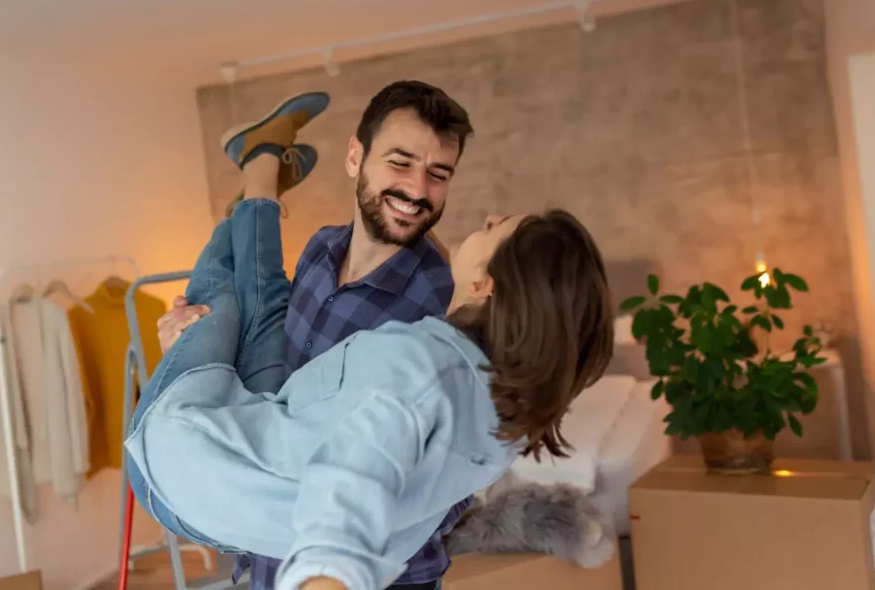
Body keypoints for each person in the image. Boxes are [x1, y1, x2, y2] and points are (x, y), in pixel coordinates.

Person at [125, 123, 614, 590]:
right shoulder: (500, 420)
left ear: (487, 284)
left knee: (219, 303)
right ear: (358, 161)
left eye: (498, 228)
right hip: (246, 491)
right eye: (400, 163)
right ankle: (252, 200)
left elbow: (355, 476)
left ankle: (251, 191)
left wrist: (329, 574)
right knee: (261, 311)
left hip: (172, 458)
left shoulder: (425, 365)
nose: (486, 219)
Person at [157, 81, 478, 590]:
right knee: (248, 301)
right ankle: (259, 174)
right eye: (400, 162)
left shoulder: (443, 302)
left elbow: (456, 476)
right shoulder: (321, 248)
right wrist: (191, 341)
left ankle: (261, 169)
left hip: (365, 573)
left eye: (438, 174)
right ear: (355, 157)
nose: (418, 190)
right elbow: (269, 366)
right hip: (270, 556)